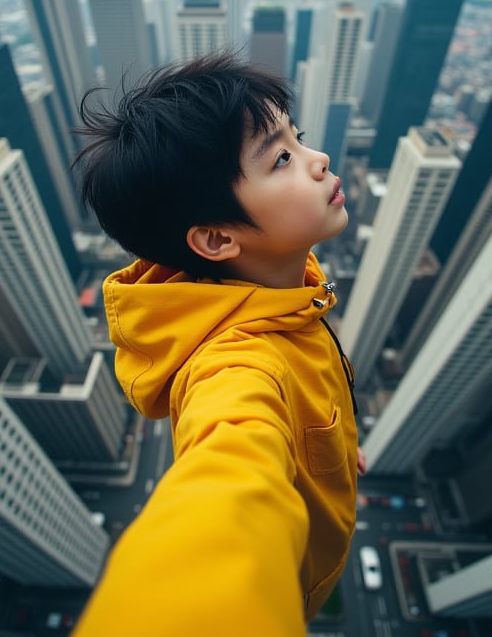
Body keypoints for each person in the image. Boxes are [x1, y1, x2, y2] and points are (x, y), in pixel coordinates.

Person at [72, 53, 365, 637]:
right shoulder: (236, 367)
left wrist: (331, 445)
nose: (318, 160)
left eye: (297, 138)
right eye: (282, 158)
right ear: (214, 238)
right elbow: (230, 480)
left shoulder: (281, 281)